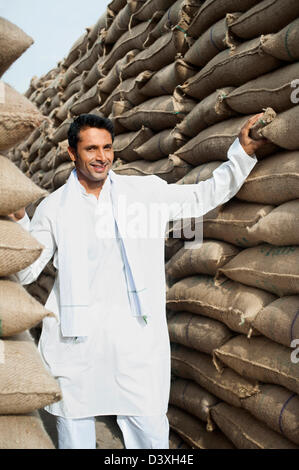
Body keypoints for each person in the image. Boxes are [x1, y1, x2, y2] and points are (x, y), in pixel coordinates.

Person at [11, 113, 267, 449]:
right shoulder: (54, 208)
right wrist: (18, 224)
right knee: (76, 439)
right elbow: (27, 271)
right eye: (91, 149)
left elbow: (202, 195)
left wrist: (242, 154)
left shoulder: (144, 193)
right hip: (77, 347)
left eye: (107, 148)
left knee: (150, 438)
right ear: (72, 153)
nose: (101, 157)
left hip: (136, 344)